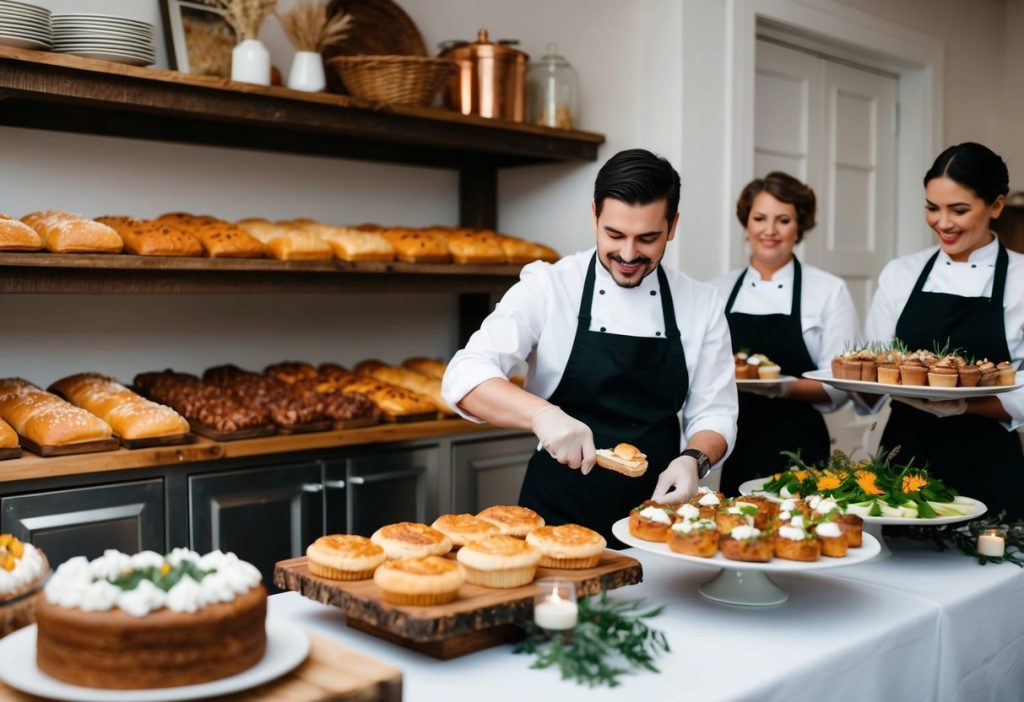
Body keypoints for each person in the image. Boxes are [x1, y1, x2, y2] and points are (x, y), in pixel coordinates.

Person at [441, 149, 737, 546]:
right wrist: (542, 416)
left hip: (657, 518)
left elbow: (715, 412)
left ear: (673, 226)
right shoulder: (549, 286)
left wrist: (693, 460)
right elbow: (464, 376)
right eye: (614, 235)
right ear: (594, 216)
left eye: (647, 238)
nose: (629, 255)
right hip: (555, 519)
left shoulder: (701, 303)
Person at [865, 142, 1024, 519]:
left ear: (996, 206)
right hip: (903, 459)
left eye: (959, 210)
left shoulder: (1021, 279)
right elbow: (873, 364)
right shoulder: (900, 273)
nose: (943, 223)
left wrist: (965, 404)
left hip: (987, 462)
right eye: (932, 208)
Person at [710, 172, 860, 494]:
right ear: (746, 223)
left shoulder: (829, 290)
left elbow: (840, 388)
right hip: (737, 438)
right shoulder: (716, 291)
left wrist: (781, 388)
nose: (770, 230)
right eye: (760, 218)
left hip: (799, 442)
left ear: (799, 226)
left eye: (783, 220)